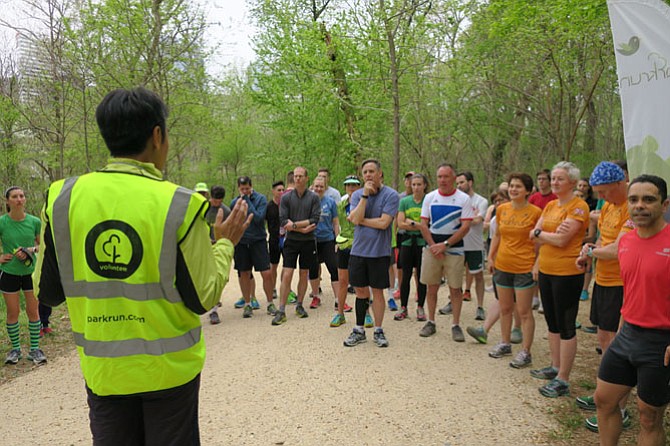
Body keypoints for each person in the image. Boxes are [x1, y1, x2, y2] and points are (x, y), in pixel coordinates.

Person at [32, 87, 251, 445]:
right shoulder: (180, 204)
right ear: (157, 135)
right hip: (169, 372)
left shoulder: (62, 198)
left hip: (104, 372)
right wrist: (224, 242)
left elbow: (48, 292)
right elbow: (204, 296)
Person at [593, 174, 670, 446]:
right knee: (603, 400)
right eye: (634, 200)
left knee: (649, 416)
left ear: (665, 204)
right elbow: (633, 289)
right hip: (627, 335)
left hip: (661, 342)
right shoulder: (626, 242)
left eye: (649, 199)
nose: (640, 205)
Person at [573, 162, 634, 432]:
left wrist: (590, 252)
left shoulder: (630, 206)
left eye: (604, 192)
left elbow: (617, 250)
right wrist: (590, 250)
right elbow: (602, 241)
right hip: (604, 280)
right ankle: (605, 395)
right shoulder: (608, 205)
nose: (601, 198)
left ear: (620, 184)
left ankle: (620, 407)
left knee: (618, 345)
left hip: (622, 282)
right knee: (603, 338)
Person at [529, 161, 589, 398]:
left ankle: (563, 378)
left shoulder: (579, 206)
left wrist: (542, 234)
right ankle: (555, 367)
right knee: (552, 321)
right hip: (546, 269)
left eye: (559, 179)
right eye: (553, 178)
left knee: (566, 325)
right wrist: (544, 235)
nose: (554, 182)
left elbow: (562, 241)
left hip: (568, 272)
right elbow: (532, 234)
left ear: (573, 182)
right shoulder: (551, 205)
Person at [484, 173, 541, 368]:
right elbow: (498, 235)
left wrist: (537, 264)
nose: (514, 189)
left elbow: (539, 243)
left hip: (524, 266)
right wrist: (491, 257)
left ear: (528, 190)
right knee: (505, 307)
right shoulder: (502, 209)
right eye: (511, 186)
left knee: (524, 311)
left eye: (518, 186)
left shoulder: (536, 212)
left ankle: (526, 351)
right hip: (503, 265)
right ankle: (505, 343)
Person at [342, 159, 399, 348]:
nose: (368, 175)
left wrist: (361, 220)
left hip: (379, 252)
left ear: (380, 173)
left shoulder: (391, 195)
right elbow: (355, 218)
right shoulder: (358, 195)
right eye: (365, 172)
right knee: (360, 292)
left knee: (378, 292)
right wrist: (365, 196)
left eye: (372, 171)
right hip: (359, 251)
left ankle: (378, 330)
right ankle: (359, 330)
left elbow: (384, 223)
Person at [418, 163, 473, 342]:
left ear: (453, 178)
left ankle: (455, 324)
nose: (442, 180)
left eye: (446, 177)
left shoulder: (463, 199)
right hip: (432, 249)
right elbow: (423, 224)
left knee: (455, 288)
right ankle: (431, 321)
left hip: (455, 250)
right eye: (440, 177)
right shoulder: (430, 198)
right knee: (431, 286)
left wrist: (446, 245)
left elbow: (465, 226)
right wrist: (434, 246)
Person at [1, 186, 47, 365]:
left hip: (30, 272)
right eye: (14, 196)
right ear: (8, 201)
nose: (19, 199)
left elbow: (43, 246)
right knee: (13, 312)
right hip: (9, 273)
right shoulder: (2, 222)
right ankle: (15, 350)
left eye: (21, 196)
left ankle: (34, 350)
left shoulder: (34, 221)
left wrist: (31, 250)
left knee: (33, 311)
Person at [272, 166, 321, 325]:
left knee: (303, 273)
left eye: (301, 176)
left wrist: (295, 225)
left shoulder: (313, 198)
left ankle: (299, 305)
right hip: (291, 241)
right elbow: (284, 220)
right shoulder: (286, 198)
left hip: (308, 242)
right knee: (287, 273)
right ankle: (281, 309)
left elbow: (314, 219)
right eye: (295, 176)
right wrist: (300, 228)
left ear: (307, 178)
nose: (297, 178)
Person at [230, 176, 277, 318]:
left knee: (266, 273)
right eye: (242, 189)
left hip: (258, 240)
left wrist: (247, 201)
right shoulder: (234, 203)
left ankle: (270, 303)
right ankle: (247, 303)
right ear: (238, 188)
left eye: (247, 188)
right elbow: (233, 221)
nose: (244, 191)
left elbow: (258, 219)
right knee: (244, 273)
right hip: (242, 242)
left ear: (251, 187)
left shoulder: (261, 199)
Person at [394, 173, 428, 321]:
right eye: (413, 184)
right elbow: (400, 223)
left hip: (422, 244)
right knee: (405, 276)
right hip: (407, 243)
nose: (416, 187)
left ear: (424, 185)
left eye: (419, 184)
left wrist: (412, 223)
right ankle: (403, 307)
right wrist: (417, 225)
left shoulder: (428, 200)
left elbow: (427, 225)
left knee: (421, 277)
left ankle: (420, 307)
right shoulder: (405, 201)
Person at [456, 171, 489, 321]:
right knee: (454, 276)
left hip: (475, 245)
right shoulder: (455, 200)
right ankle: (453, 302)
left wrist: (463, 220)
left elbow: (478, 220)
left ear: (470, 182)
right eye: (457, 183)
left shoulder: (481, 201)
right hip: (458, 243)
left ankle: (480, 307)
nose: (459, 186)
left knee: (479, 276)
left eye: (461, 182)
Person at [330, 175, 359, 327]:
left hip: (360, 245)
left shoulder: (364, 204)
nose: (351, 189)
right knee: (343, 281)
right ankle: (340, 314)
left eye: (354, 186)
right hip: (343, 245)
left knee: (361, 282)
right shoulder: (341, 204)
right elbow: (337, 224)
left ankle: (366, 314)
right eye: (348, 186)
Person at [200, 184, 232, 325]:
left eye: (219, 200)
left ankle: (213, 311)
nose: (217, 203)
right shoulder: (202, 208)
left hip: (218, 248)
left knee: (218, 276)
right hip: (203, 247)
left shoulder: (225, 211)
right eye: (214, 200)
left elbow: (229, 229)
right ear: (210, 197)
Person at [310, 176, 340, 308]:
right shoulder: (308, 202)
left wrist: (337, 239)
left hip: (328, 239)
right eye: (316, 186)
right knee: (313, 269)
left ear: (325, 188)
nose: (318, 189)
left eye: (321, 186)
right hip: (312, 240)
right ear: (312, 186)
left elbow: (335, 222)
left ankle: (339, 299)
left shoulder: (330, 202)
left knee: (334, 268)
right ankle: (315, 296)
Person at [266, 180, 285, 300]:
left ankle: (285, 286)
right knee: (273, 266)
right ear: (273, 191)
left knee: (287, 266)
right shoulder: (269, 206)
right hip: (274, 240)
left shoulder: (286, 205)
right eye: (279, 190)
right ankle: (272, 288)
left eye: (283, 190)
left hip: (286, 239)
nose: (281, 192)